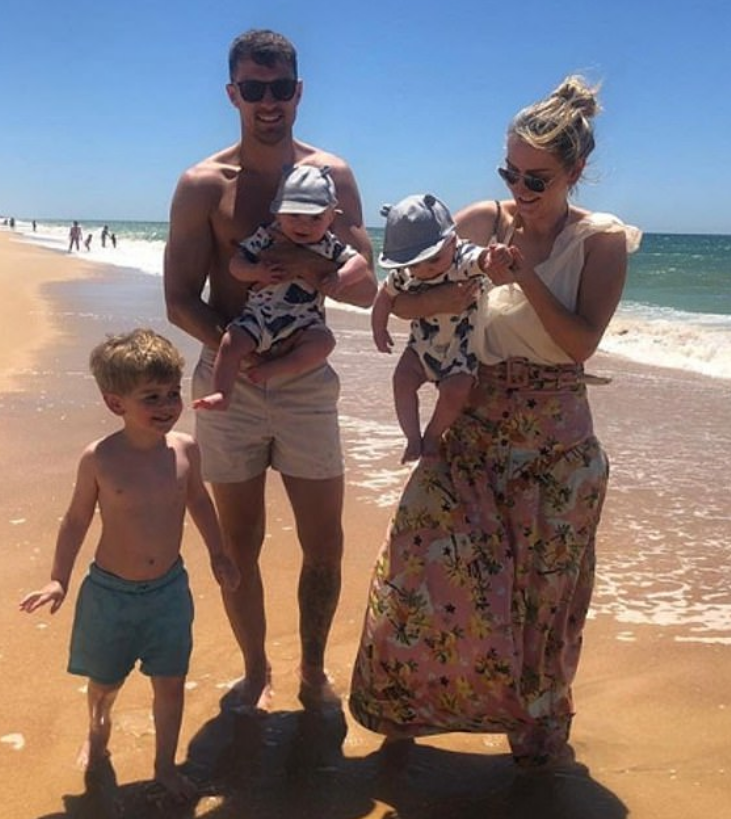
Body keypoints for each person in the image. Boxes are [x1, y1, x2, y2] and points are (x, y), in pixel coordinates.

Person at [349, 75, 642, 770]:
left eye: (536, 178)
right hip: (469, 426)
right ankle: (404, 710)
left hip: (556, 446)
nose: (519, 188)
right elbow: (414, 300)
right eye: (510, 172)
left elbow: (579, 344)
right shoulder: (483, 220)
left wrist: (522, 278)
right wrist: (466, 283)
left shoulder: (599, 242)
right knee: (418, 569)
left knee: (542, 601)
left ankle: (534, 733)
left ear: (574, 171)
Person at [164, 29, 376, 713]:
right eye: (253, 89)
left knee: (325, 542)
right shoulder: (204, 186)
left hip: (305, 380)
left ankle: (312, 669)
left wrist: (310, 265)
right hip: (229, 377)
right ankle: (256, 669)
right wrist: (238, 349)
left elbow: (366, 286)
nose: (267, 101)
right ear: (233, 94)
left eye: (279, 88)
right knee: (239, 542)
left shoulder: (332, 176)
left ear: (298, 91)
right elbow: (179, 300)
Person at [19, 328, 240, 800]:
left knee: (171, 682)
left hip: (168, 591)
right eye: (151, 397)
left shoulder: (185, 449)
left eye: (172, 393)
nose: (167, 405)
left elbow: (199, 502)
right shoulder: (100, 458)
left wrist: (219, 553)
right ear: (114, 403)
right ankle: (97, 733)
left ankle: (164, 766)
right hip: (109, 595)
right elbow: (76, 520)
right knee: (104, 682)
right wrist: (58, 579)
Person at [193, 163, 367, 409]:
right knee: (230, 343)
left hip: (305, 322)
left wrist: (341, 277)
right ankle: (222, 393)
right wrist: (256, 271)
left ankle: (276, 368)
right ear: (277, 213)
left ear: (331, 218)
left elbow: (360, 263)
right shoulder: (266, 236)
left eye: (315, 218)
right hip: (260, 318)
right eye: (294, 215)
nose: (304, 225)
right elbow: (236, 265)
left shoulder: (328, 244)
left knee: (324, 343)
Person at [373, 193, 516, 463]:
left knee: (456, 391)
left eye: (433, 259)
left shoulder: (462, 259)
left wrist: (495, 258)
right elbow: (384, 297)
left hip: (460, 352)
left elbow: (482, 259)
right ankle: (412, 438)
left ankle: (433, 435)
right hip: (421, 348)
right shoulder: (405, 271)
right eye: (415, 263)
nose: (425, 270)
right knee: (401, 380)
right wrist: (378, 328)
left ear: (452, 240)